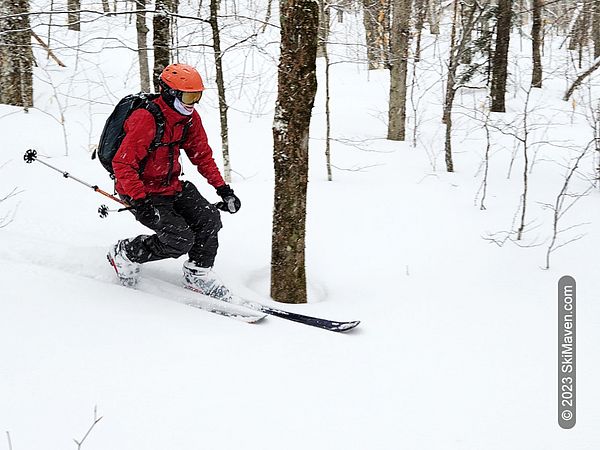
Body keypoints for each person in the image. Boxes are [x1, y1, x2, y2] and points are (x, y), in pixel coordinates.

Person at [107, 63, 240, 299]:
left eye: (197, 96)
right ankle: (125, 252)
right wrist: (140, 202)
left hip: (171, 185)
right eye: (189, 96)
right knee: (180, 239)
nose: (193, 103)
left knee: (208, 218)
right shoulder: (145, 118)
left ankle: (197, 272)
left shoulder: (188, 119)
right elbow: (123, 164)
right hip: (141, 192)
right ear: (169, 92)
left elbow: (202, 155)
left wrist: (222, 189)